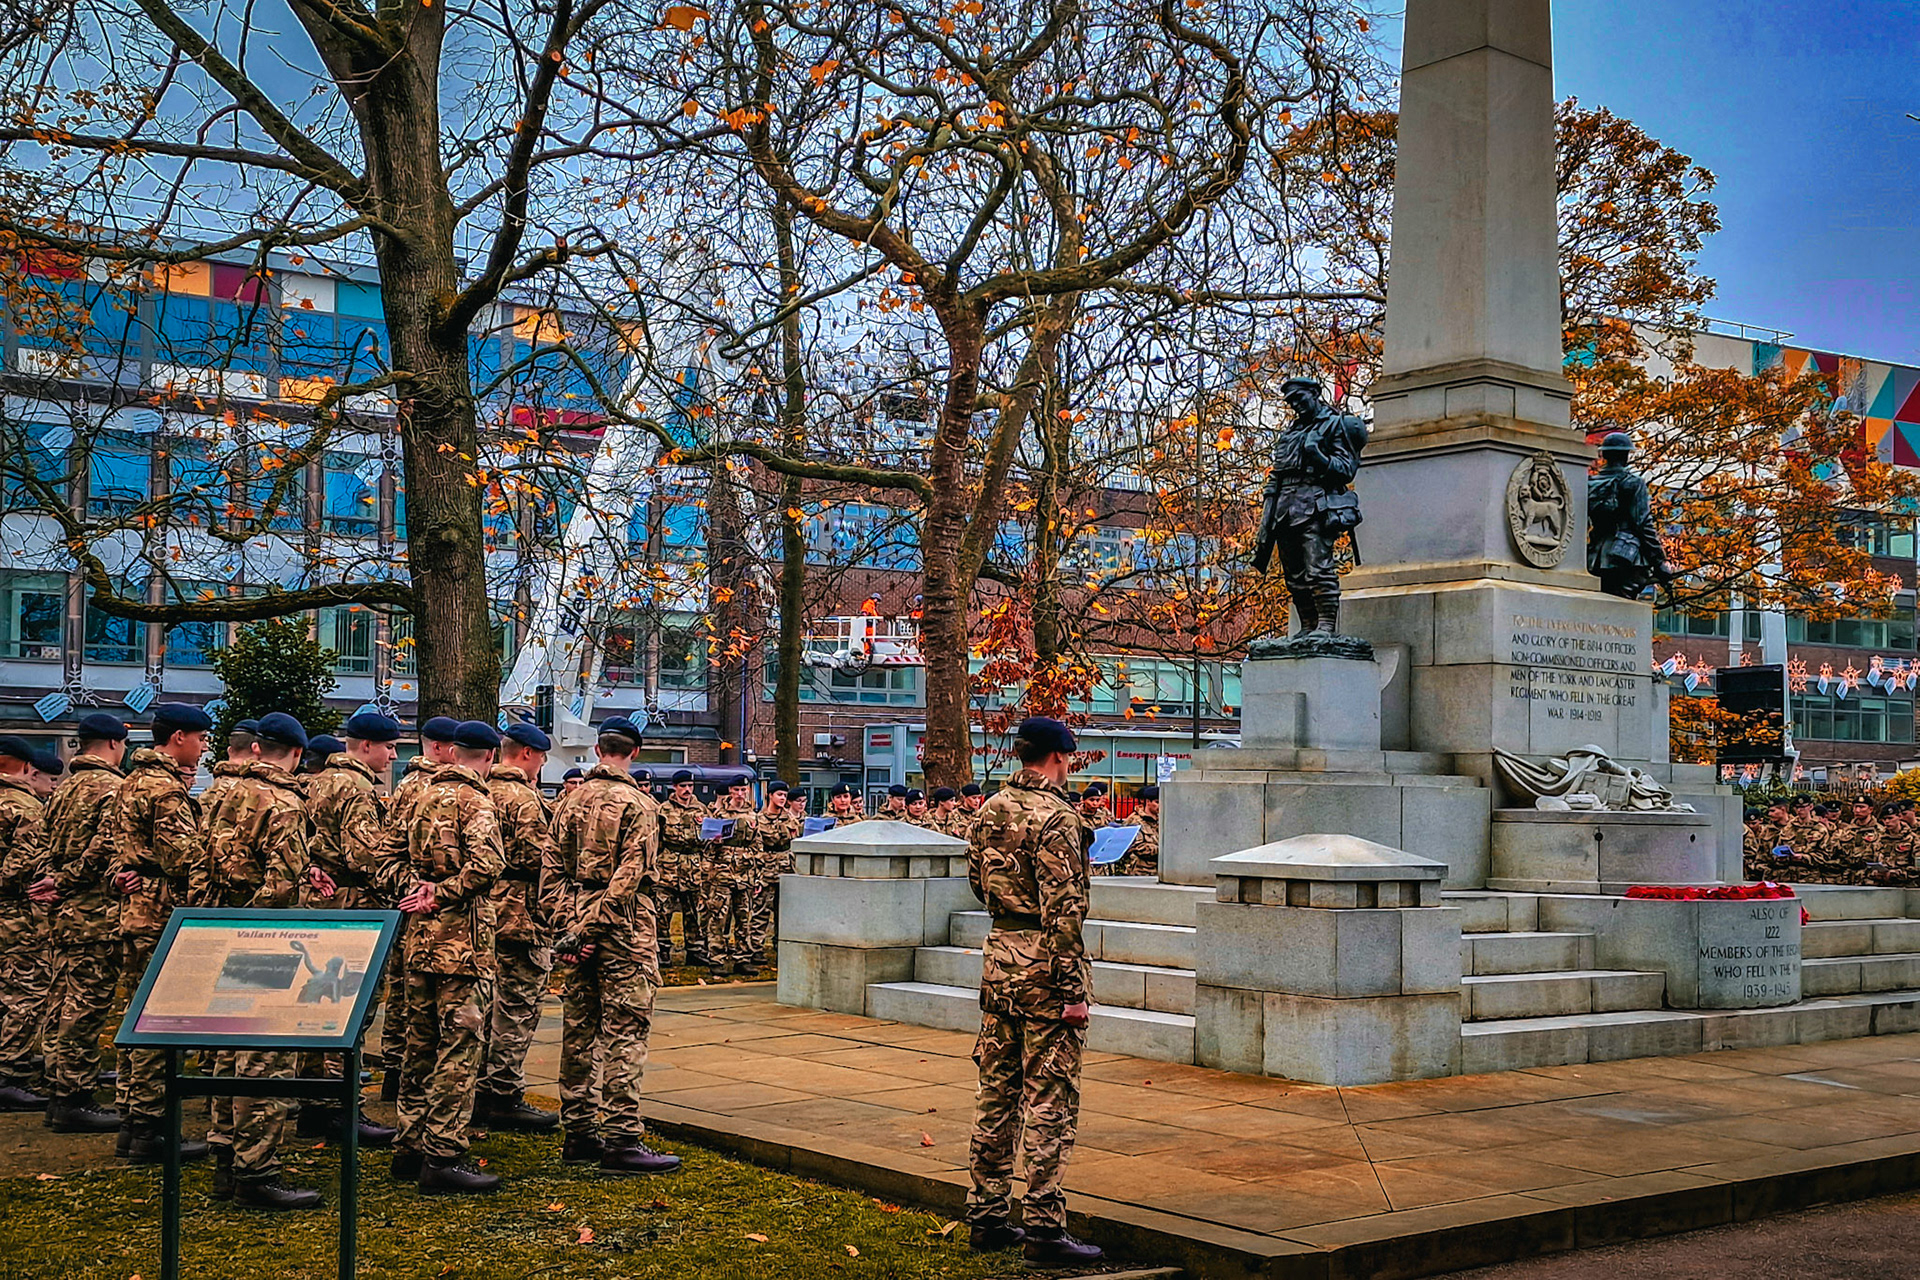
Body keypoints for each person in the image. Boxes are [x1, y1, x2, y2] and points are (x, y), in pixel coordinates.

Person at [963, 717, 1102, 1266]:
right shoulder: (1059, 817)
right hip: (1046, 967)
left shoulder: (988, 809)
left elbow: (979, 883)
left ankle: (988, 1216)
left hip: (1001, 962)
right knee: (1050, 1099)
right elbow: (1065, 911)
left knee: (996, 1091)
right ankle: (1045, 1226)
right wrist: (1072, 989)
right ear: (1059, 758)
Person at [200, 712, 334, 1210]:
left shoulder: (224, 794)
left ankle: (223, 1159)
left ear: (258, 749)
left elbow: (202, 865)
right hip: (265, 940)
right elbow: (279, 887)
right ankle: (256, 1169)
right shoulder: (285, 804)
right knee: (265, 1060)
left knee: (227, 1052)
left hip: (221, 933)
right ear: (297, 755)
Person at [543, 716, 680, 1175]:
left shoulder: (567, 802)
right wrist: (592, 927)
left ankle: (578, 1131)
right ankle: (622, 1137)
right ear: (634, 753)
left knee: (579, 1029)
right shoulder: (638, 805)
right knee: (625, 1029)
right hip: (624, 930)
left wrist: (572, 926)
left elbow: (551, 875)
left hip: (578, 925)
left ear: (599, 750)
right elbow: (629, 876)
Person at [392, 721, 507, 1194]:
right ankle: (443, 1154)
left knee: (419, 1046)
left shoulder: (416, 795)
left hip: (418, 941)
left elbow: (384, 854)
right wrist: (441, 893)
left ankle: (410, 1144)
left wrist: (413, 894)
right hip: (462, 944)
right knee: (459, 1048)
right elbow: (488, 865)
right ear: (490, 757)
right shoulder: (477, 801)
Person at [109, 704, 213, 1163]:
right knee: (160, 1020)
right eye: (201, 737)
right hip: (162, 913)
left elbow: (118, 845)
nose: (205, 746)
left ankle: (132, 1121)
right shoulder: (166, 790)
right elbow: (181, 858)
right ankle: (151, 1127)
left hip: (135, 911)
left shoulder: (130, 780)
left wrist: (125, 872)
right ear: (178, 738)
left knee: (134, 1017)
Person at [298, 711, 403, 1145]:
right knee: (348, 1011)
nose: (393, 754)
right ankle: (342, 1107)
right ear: (365, 746)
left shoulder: (317, 781)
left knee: (318, 1014)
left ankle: (313, 1104)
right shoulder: (357, 789)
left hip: (319, 901)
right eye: (389, 746)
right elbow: (366, 857)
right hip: (353, 906)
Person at [29, 712, 130, 1135]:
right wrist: (69, 879)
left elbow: (47, 842)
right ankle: (74, 1098)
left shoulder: (65, 788)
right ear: (112, 743)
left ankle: (59, 1090)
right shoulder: (111, 788)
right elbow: (104, 845)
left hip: (66, 912)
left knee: (64, 999)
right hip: (95, 911)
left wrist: (55, 881)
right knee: (87, 1007)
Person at [476, 721, 561, 1132]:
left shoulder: (479, 790)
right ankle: (502, 1094)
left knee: (486, 1004)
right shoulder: (524, 800)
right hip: (521, 914)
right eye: (542, 756)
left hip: (485, 912)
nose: (542, 764)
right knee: (517, 1007)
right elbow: (536, 858)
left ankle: (477, 1088)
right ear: (527, 753)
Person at [378, 716, 460, 1101]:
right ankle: (415, 1080)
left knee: (400, 988)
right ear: (443, 749)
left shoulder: (405, 783)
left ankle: (394, 1070)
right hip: (435, 902)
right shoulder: (438, 788)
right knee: (425, 997)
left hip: (404, 893)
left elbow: (389, 846)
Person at [1250, 377, 1368, 635]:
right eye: (1291, 401)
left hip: (1315, 505)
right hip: (1284, 508)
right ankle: (1307, 626)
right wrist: (1267, 516)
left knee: (1318, 568)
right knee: (1294, 575)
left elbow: (1346, 470)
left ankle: (1326, 625)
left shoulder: (1335, 425)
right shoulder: (1291, 432)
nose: (1296, 405)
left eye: (1299, 398)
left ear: (1314, 393)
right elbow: (1277, 475)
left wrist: (1318, 455)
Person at [0, 735, 51, 1112]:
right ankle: (8, 1073)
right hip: (15, 913)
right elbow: (27, 858)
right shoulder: (23, 805)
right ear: (24, 765)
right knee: (26, 990)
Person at [1588, 431, 1674, 600]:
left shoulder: (1589, 483)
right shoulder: (1633, 482)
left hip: (1595, 556)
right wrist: (1659, 562)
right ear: (1626, 455)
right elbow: (1642, 523)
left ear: (1604, 454)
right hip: (1627, 556)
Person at [702, 780, 760, 977]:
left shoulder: (752, 815)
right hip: (722, 873)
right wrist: (714, 843)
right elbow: (706, 846)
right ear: (730, 791)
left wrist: (755, 873)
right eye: (737, 790)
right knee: (718, 916)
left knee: (744, 918)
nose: (740, 794)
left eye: (744, 790)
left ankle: (742, 958)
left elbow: (757, 845)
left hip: (744, 874)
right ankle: (716, 958)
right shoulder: (719, 814)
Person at [655, 768, 709, 971]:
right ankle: (663, 951)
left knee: (694, 912)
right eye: (683, 786)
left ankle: (695, 951)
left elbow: (709, 837)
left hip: (693, 866)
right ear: (675, 787)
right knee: (662, 912)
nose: (687, 790)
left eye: (690, 786)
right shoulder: (663, 810)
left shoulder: (701, 810)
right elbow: (657, 839)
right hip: (668, 866)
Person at [751, 781, 801, 975]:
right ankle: (756, 948)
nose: (782, 798)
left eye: (784, 795)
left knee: (786, 911)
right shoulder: (759, 819)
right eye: (779, 794)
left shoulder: (790, 819)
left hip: (786, 868)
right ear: (770, 796)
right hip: (766, 868)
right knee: (761, 911)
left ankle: (782, 944)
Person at [1116, 785, 1160, 879]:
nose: (1160, 805)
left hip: (1159, 871)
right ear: (1148, 802)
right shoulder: (1135, 822)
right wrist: (1163, 850)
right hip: (1140, 871)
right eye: (1157, 802)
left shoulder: (1162, 821)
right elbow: (1137, 847)